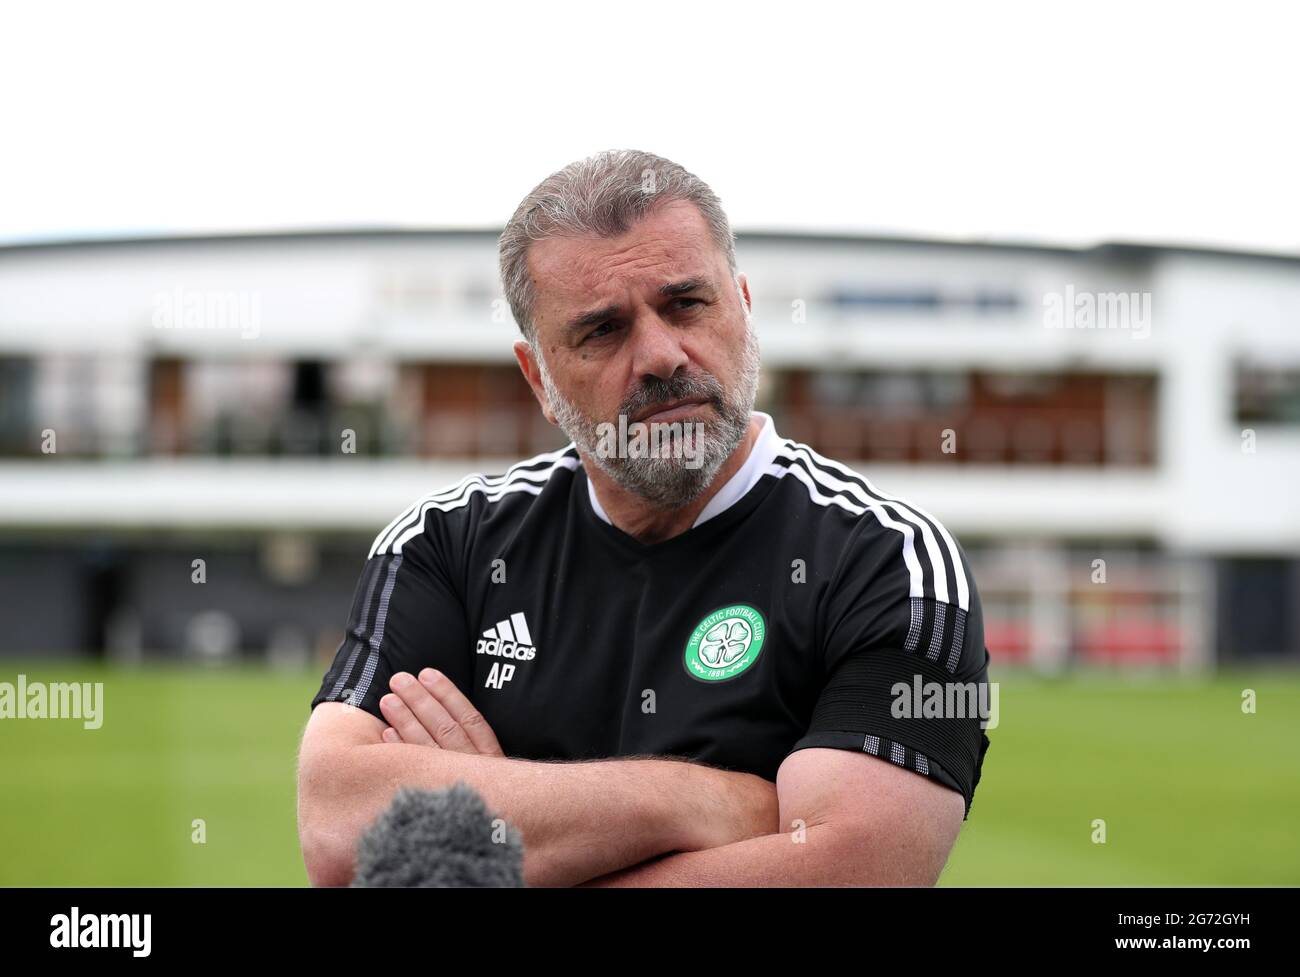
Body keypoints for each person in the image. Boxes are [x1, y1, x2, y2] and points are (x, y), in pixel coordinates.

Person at [297, 149, 991, 887]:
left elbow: (851, 874)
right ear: (537, 375)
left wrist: (499, 840)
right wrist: (709, 799)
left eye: (688, 303)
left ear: (745, 308)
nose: (660, 355)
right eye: (602, 330)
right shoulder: (448, 545)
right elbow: (341, 832)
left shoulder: (890, 563)